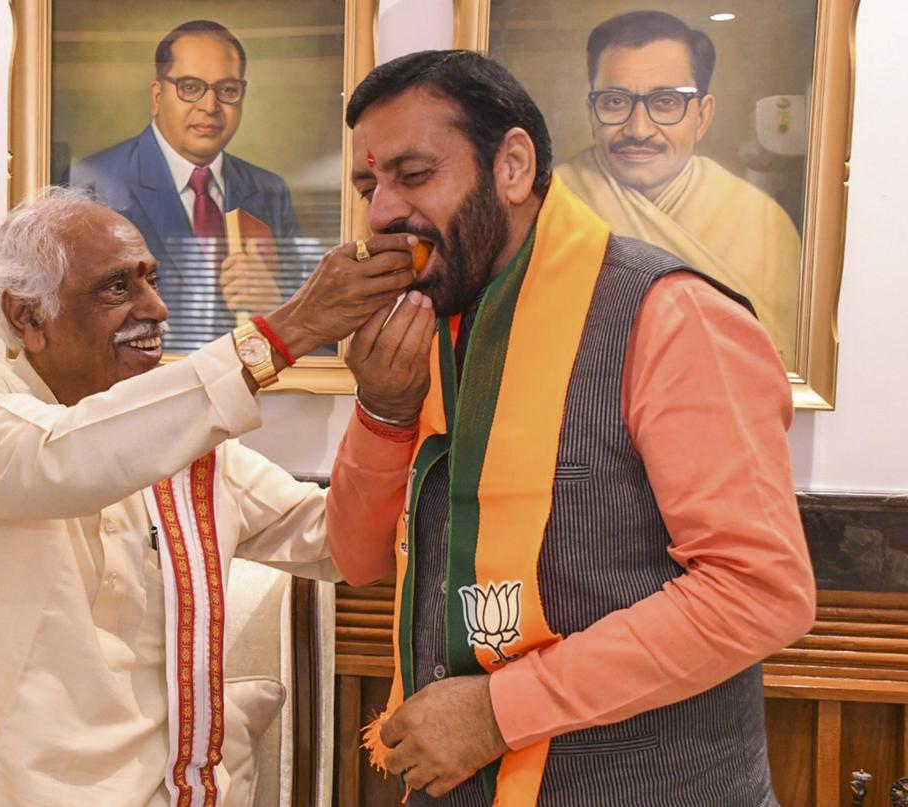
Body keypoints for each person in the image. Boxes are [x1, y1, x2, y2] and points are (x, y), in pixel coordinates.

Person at [335, 50, 816, 806]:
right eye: (370, 185)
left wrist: (498, 711)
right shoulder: (434, 321)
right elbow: (357, 558)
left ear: (514, 165)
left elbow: (760, 592)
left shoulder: (668, 316)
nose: (382, 213)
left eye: (415, 174)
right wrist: (383, 411)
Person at [0, 187, 434, 806]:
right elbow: (66, 457)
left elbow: (346, 546)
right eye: (116, 288)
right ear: (28, 316)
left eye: (151, 280)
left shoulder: (182, 443)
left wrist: (386, 411)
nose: (156, 308)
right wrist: (285, 333)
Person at [555, 10, 802, 364]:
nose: (639, 129)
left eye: (666, 102)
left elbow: (777, 364)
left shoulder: (762, 223)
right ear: (592, 112)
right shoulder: (550, 204)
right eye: (615, 101)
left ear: (702, 116)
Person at [68, 20, 301, 353]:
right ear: (157, 96)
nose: (210, 106)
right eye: (190, 87)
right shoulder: (91, 183)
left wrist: (275, 304)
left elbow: (312, 318)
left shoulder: (269, 191)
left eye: (227, 90)